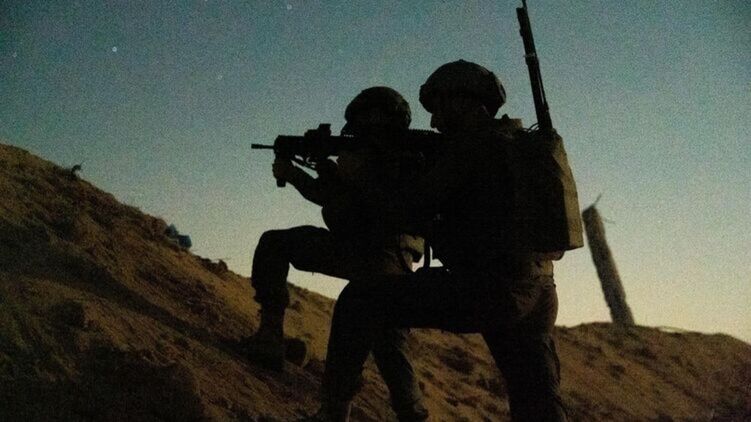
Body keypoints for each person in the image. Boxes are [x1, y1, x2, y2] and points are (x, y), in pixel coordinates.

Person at [307, 60, 576, 421]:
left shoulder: (471, 146)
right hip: (538, 290)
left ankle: (333, 414)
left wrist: (361, 176)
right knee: (537, 400)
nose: (434, 121)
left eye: (439, 108)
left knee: (360, 301)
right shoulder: (514, 141)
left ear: (463, 101)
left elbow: (410, 210)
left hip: (492, 289)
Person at [247, 87, 429, 421]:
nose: (361, 124)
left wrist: (298, 174)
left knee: (378, 329)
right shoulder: (398, 156)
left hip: (376, 253)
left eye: (368, 116)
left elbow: (349, 201)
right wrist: (325, 168)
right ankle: (404, 414)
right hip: (380, 255)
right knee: (387, 338)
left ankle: (271, 341)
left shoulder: (396, 157)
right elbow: (343, 198)